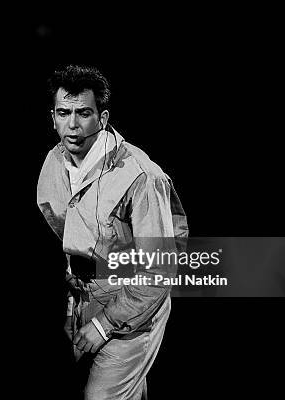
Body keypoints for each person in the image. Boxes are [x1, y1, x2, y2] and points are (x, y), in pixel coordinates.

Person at [37, 65, 188, 399]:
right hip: (83, 297)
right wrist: (71, 308)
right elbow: (72, 243)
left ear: (102, 118)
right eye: (64, 113)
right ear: (53, 117)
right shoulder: (54, 163)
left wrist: (104, 325)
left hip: (134, 300)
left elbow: (158, 270)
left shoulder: (140, 176)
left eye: (84, 113)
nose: (72, 124)